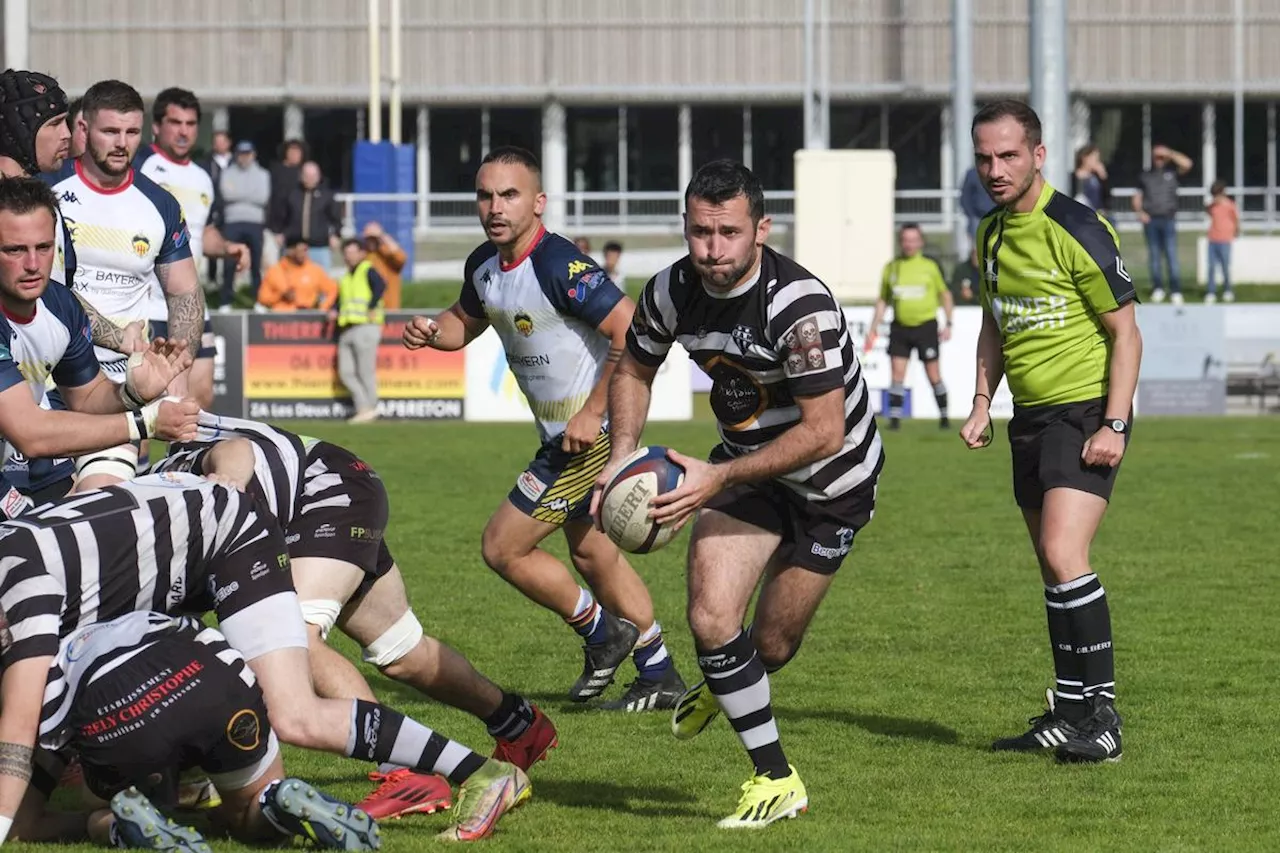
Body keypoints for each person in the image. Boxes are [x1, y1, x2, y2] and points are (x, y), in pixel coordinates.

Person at [0, 473, 532, 843]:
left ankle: (484, 772)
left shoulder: (20, 583)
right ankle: (225, 792)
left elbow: (21, 724)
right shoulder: (13, 557)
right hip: (189, 542)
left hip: (230, 540)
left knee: (292, 712)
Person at [590, 159, 884, 827]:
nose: (712, 250)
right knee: (711, 617)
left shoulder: (797, 306)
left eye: (727, 232)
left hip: (833, 482)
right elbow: (634, 368)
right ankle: (776, 778)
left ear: (761, 228)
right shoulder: (670, 291)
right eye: (699, 232)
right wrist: (621, 458)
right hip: (744, 470)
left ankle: (728, 683)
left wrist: (714, 477)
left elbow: (824, 430)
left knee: (771, 646)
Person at [151, 411, 559, 820]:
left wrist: (231, 482)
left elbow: (233, 450)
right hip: (335, 485)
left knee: (295, 640)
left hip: (322, 494)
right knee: (401, 651)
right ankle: (519, 724)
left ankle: (405, 772)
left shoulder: (155, 483)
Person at [403, 146, 684, 712]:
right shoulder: (483, 264)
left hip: (586, 439)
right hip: (560, 436)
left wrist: (592, 411)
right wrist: (434, 330)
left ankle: (602, 634)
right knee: (593, 556)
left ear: (538, 202)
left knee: (502, 546)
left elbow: (634, 331)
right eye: (485, 195)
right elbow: (466, 322)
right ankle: (659, 672)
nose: (495, 206)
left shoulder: (561, 265)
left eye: (509, 195)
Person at [960, 99, 1141, 764]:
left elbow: (1126, 331)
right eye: (984, 157)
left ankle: (1103, 716)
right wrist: (983, 399)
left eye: (1008, 155)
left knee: (1067, 554)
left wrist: (1115, 422)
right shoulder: (990, 233)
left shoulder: (1075, 225)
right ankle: (1068, 713)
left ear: (1038, 155)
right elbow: (994, 322)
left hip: (1085, 410)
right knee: (1051, 568)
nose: (995, 169)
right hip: (1029, 418)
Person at [22, 611, 380, 851]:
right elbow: (213, 644)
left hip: (121, 715)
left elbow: (44, 757)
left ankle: (121, 825)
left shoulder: (44, 664)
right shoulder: (145, 615)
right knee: (246, 816)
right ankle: (276, 802)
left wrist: (76, 820)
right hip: (211, 682)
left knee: (99, 804)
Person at [0, 176, 199, 516]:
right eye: (14, 250)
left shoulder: (60, 305)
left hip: (22, 467)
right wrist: (145, 422)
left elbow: (87, 398)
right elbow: (30, 432)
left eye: (44, 247)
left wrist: (133, 394)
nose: (33, 264)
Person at [44, 78, 206, 492]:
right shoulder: (47, 192)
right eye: (110, 131)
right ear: (84, 129)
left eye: (131, 132)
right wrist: (120, 337)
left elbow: (184, 292)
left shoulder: (160, 204)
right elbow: (45, 289)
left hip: (120, 387)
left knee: (96, 506)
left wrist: (177, 359)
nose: (122, 143)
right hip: (45, 383)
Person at [135, 86, 249, 409]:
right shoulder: (140, 165)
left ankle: (182, 462)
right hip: (147, 305)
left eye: (190, 123)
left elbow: (203, 233)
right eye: (175, 122)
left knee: (198, 400)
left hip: (193, 306)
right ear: (156, 126)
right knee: (145, 408)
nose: (183, 131)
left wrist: (228, 248)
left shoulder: (203, 177)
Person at [864, 222, 955, 430]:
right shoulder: (892, 268)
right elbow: (883, 300)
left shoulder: (930, 267)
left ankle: (944, 417)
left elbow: (946, 295)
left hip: (926, 327)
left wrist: (948, 322)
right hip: (900, 327)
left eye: (914, 240)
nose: (909, 244)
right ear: (900, 242)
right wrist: (873, 327)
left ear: (921, 242)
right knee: (897, 375)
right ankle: (895, 420)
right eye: (906, 240)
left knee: (934, 375)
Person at [333, 237, 386, 423]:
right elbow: (341, 300)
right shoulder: (346, 276)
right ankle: (365, 407)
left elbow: (381, 286)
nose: (349, 256)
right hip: (347, 327)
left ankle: (370, 408)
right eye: (346, 253)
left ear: (362, 253)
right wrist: (334, 310)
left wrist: (371, 306)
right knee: (346, 372)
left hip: (366, 326)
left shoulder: (367, 269)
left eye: (352, 252)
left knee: (365, 371)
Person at [1132, 142, 1193, 305]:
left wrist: (1170, 153)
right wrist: (1140, 213)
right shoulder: (1145, 175)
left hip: (1168, 219)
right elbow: (1137, 196)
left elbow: (1187, 164)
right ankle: (1158, 287)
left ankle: (1175, 290)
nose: (1159, 160)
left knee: (1171, 255)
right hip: (1151, 220)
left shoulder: (1172, 173)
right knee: (1154, 256)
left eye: (1161, 157)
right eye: (1156, 157)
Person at [218, 140, 271, 310]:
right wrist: (248, 195)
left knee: (256, 263)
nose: (244, 158)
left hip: (255, 222)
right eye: (241, 154)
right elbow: (226, 194)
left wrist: (238, 195)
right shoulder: (227, 173)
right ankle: (226, 300)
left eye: (247, 154)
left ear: (253, 155)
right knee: (229, 262)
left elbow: (262, 197)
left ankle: (259, 300)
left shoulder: (263, 174)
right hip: (233, 221)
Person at [258, 234, 338, 311]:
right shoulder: (275, 271)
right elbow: (262, 298)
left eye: (306, 250)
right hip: (281, 319)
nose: (304, 254)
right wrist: (280, 296)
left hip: (306, 318)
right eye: (301, 250)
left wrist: (322, 309)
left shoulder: (315, 270)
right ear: (290, 251)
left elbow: (332, 289)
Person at [1204, 179, 1238, 304]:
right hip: (1213, 239)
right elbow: (1207, 210)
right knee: (1211, 267)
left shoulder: (1230, 205)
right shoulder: (1213, 206)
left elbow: (1236, 219)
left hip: (1225, 240)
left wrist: (1235, 232)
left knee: (1225, 267)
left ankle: (1228, 290)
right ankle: (1211, 292)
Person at [362, 221, 407, 310]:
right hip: (371, 308)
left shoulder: (387, 253)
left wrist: (383, 236)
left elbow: (401, 257)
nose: (371, 242)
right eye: (369, 239)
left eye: (374, 239)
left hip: (389, 308)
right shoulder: (364, 256)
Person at [1072, 144, 1109, 215]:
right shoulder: (1075, 176)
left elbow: (1106, 198)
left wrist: (1104, 178)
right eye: (1094, 158)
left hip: (1096, 213)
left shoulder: (1096, 177)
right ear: (1084, 158)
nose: (1096, 162)